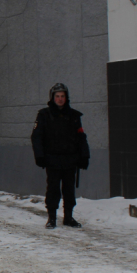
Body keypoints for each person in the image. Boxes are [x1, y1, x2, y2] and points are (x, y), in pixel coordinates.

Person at [31, 82, 89, 229]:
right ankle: (51, 218)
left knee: (69, 190)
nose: (60, 99)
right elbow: (37, 136)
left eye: (63, 96)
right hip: (53, 160)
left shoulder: (74, 116)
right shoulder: (44, 115)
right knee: (53, 189)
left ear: (66, 97)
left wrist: (84, 156)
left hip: (70, 160)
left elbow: (81, 137)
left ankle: (68, 217)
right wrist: (40, 156)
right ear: (53, 97)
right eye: (57, 96)